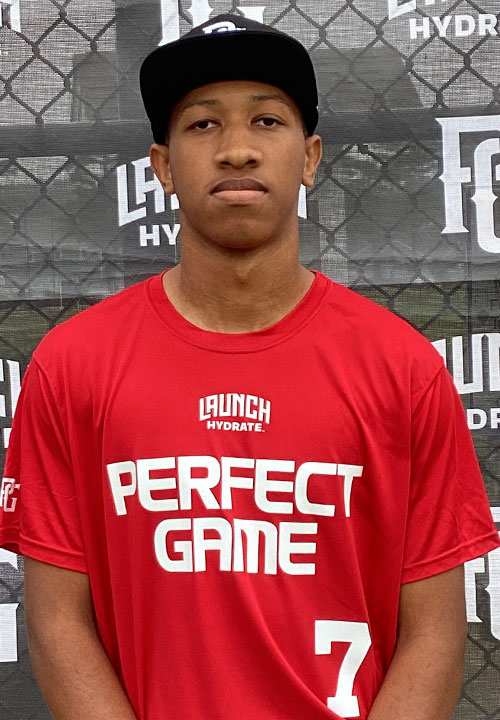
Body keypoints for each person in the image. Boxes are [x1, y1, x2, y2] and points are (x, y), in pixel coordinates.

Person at [0, 13, 498, 720]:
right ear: (163, 166)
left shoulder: (403, 369)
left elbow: (435, 635)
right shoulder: (72, 365)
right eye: (203, 125)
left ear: (310, 157)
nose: (236, 150)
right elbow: (57, 625)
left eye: (267, 121)